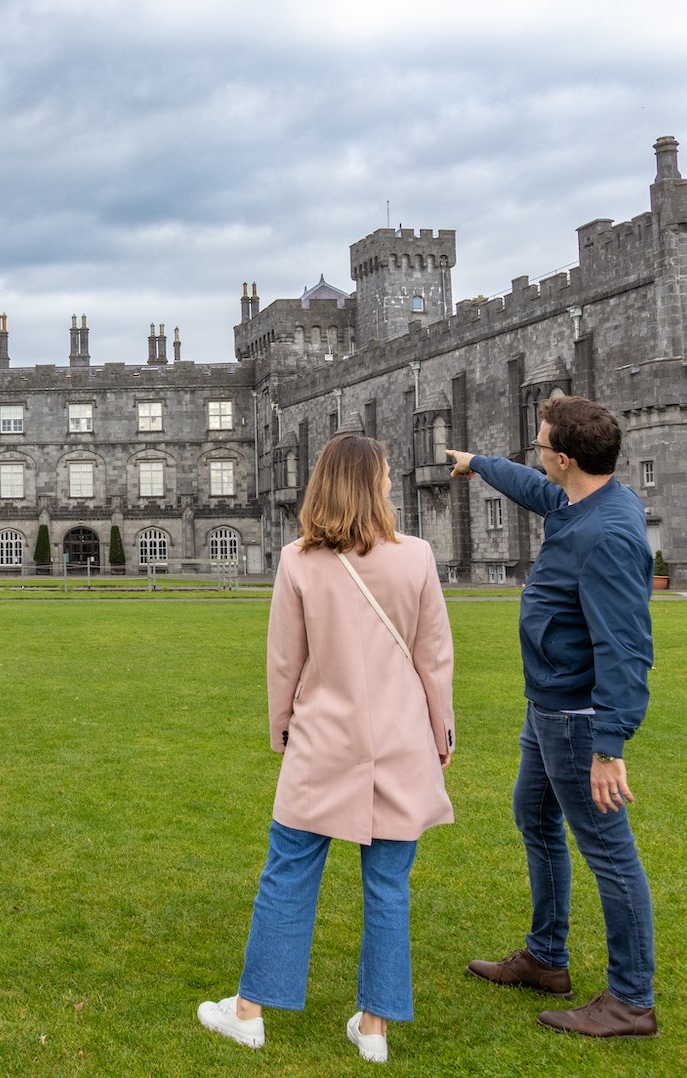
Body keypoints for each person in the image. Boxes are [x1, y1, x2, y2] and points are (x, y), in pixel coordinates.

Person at [197, 434, 455, 1065]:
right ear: (370, 485)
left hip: (322, 741)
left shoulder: (297, 561)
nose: (393, 483)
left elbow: (285, 661)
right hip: (400, 739)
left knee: (287, 876)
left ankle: (251, 1012)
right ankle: (374, 1029)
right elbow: (435, 660)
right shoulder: (416, 557)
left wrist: (281, 726)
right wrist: (441, 731)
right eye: (387, 476)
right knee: (389, 886)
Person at [444, 394, 659, 1038]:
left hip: (576, 719)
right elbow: (536, 490)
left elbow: (625, 646)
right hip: (547, 708)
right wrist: (477, 463)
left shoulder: (610, 533)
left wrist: (608, 743)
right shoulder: (578, 500)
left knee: (610, 854)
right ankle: (546, 957)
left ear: (566, 457)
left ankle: (630, 999)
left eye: (542, 447)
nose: (538, 457)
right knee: (533, 817)